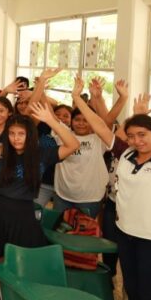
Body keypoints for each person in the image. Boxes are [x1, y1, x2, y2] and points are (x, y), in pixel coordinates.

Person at [0, 103, 79, 262]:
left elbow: (73, 145)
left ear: (30, 135)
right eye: (12, 133)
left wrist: (51, 121)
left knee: (19, 258)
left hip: (22, 214)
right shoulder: (0, 150)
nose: (16, 138)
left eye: (21, 134)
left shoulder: (42, 154)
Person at [111, 113, 151, 300]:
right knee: (132, 288)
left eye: (143, 135)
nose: (137, 141)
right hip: (126, 232)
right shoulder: (127, 155)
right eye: (131, 136)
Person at [51, 76, 116, 217]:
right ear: (71, 121)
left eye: (86, 120)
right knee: (59, 234)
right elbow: (51, 115)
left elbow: (106, 123)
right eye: (77, 120)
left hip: (90, 198)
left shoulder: (98, 139)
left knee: (85, 237)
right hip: (62, 195)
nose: (81, 123)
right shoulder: (63, 133)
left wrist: (98, 98)